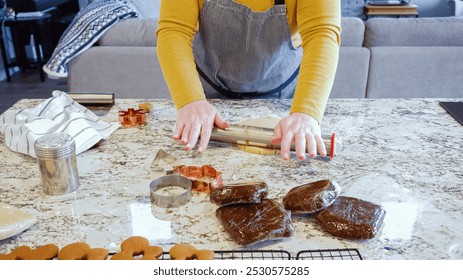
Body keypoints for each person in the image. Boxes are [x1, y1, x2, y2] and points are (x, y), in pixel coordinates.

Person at [156, 0, 341, 160]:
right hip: (206, 96)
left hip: (280, 96)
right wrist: (190, 100)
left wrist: (306, 112)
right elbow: (174, 30)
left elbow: (321, 33)